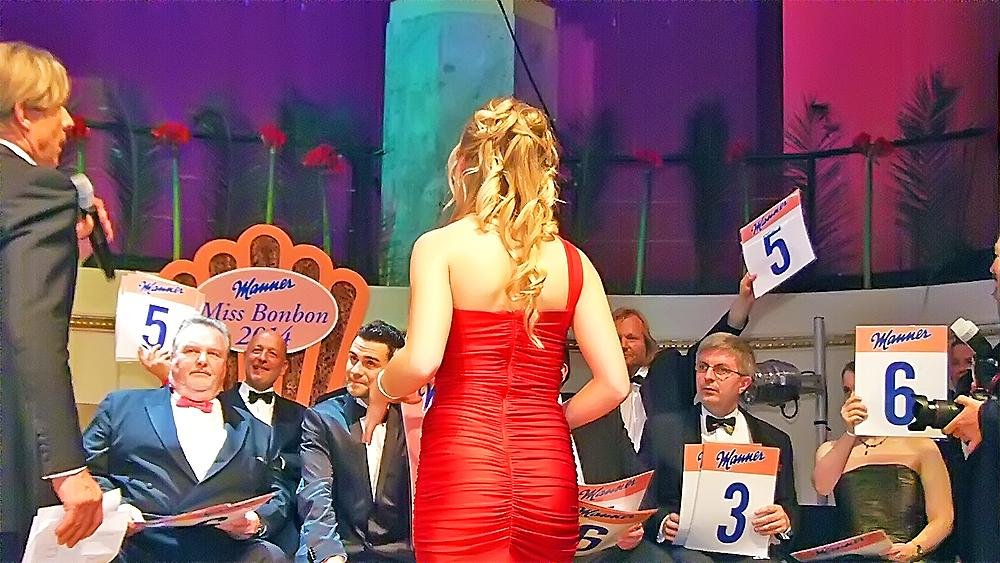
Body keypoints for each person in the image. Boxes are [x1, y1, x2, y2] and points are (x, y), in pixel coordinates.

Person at [363, 97, 631, 561]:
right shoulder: (575, 263)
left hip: (462, 465)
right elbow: (615, 385)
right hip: (546, 470)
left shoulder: (440, 248)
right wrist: (550, 421)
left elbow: (421, 361)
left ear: (467, 164)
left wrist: (381, 388)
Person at [0, 40, 113, 561]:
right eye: (58, 107)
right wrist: (67, 467)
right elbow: (32, 331)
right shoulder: (40, 192)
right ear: (24, 113)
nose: (69, 122)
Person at [83, 317, 291, 562]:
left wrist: (255, 521)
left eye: (214, 353)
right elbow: (86, 469)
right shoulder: (121, 407)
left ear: (225, 366)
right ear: (173, 358)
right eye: (191, 350)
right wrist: (116, 508)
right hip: (135, 547)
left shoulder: (259, 432)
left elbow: (278, 492)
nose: (202, 360)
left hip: (219, 552)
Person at [640, 332, 797, 562]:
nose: (708, 377)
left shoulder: (775, 440)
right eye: (702, 367)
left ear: (744, 383)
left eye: (721, 370)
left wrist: (784, 522)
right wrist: (663, 522)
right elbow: (643, 500)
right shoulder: (662, 432)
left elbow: (789, 506)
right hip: (686, 551)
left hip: (750, 551)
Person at [813, 361, 953, 561]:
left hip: (908, 555)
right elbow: (823, 486)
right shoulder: (830, 449)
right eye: (847, 391)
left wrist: (914, 548)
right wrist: (851, 432)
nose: (853, 398)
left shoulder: (920, 446)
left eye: (860, 390)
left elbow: (943, 518)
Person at [298, 320, 413, 563]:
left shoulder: (412, 420)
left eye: (370, 363)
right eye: (353, 359)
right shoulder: (323, 418)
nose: (355, 370)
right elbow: (315, 490)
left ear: (394, 370)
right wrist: (329, 553)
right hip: (341, 546)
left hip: (399, 553)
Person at [615, 272, 756, 451]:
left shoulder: (669, 371)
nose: (623, 345)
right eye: (616, 338)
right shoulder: (600, 386)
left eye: (631, 338)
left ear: (646, 342)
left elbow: (711, 347)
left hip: (666, 467)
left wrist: (742, 304)